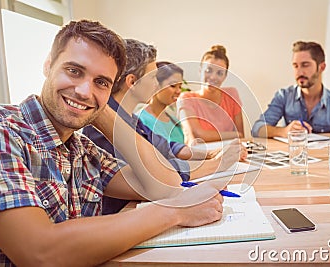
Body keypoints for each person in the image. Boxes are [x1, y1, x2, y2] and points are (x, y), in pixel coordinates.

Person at [0, 20, 226, 266]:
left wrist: (100, 111)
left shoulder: (82, 149)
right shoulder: (0, 130)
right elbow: (39, 252)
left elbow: (166, 184)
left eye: (101, 82)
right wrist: (174, 212)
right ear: (48, 65)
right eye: (74, 71)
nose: (83, 90)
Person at [82, 39, 246, 214]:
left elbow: (168, 147)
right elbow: (156, 174)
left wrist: (211, 153)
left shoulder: (132, 119)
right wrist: (217, 164)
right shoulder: (105, 127)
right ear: (132, 82)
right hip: (125, 214)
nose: (157, 84)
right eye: (153, 77)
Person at [251, 41, 330, 138]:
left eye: (305, 65)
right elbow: (257, 129)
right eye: (295, 66)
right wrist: (283, 131)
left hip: (322, 155)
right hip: (292, 154)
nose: (299, 72)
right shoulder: (284, 96)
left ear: (321, 67)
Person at [177, 45, 244, 145]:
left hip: (229, 154)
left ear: (225, 76)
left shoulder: (232, 95)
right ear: (200, 71)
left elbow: (241, 136)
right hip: (200, 156)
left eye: (220, 73)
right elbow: (198, 135)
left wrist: (236, 135)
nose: (213, 77)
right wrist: (234, 135)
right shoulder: (186, 98)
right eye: (208, 70)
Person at [136, 61, 185, 144]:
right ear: (156, 85)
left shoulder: (174, 121)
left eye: (180, 86)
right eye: (173, 85)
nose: (178, 91)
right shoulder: (140, 120)